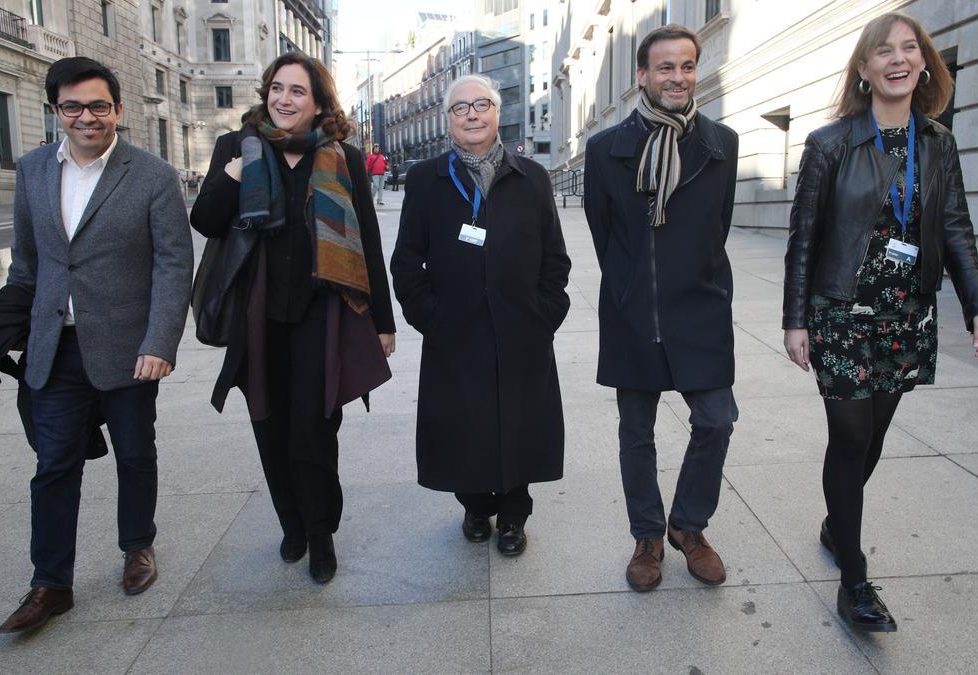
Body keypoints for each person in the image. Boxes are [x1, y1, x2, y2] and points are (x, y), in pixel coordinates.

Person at [783, 11, 978, 633]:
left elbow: (955, 227)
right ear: (863, 68)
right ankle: (853, 577)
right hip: (840, 312)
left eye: (910, 48)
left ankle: (835, 522)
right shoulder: (830, 143)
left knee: (873, 438)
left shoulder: (939, 142)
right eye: (883, 51)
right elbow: (804, 237)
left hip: (906, 314)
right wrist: (794, 319)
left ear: (925, 63)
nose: (898, 59)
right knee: (850, 437)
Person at [0, 56, 193, 634]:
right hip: (54, 348)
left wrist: (161, 342)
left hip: (130, 348)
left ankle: (137, 545)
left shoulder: (151, 174)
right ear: (56, 110)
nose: (87, 117)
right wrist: (2, 330)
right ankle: (50, 583)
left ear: (118, 110)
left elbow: (173, 264)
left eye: (99, 106)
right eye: (74, 107)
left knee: (134, 453)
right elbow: (27, 262)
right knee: (53, 464)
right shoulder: (33, 169)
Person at [190, 52, 396, 585]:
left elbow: (368, 240)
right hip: (258, 314)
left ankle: (322, 533)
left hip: (320, 312)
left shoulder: (343, 157)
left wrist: (382, 320)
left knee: (316, 427)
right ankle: (292, 525)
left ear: (319, 102)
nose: (284, 99)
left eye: (297, 92)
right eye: (277, 89)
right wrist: (233, 175)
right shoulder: (237, 148)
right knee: (269, 424)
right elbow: (206, 219)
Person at [583, 25, 739, 592]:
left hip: (700, 311)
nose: (677, 77)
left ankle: (688, 527)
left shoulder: (723, 144)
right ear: (643, 75)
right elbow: (607, 237)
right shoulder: (605, 152)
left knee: (717, 420)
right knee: (636, 433)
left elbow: (715, 230)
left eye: (687, 66)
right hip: (632, 312)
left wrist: (698, 283)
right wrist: (630, 287)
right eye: (665, 67)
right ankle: (647, 535)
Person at [391, 74, 570, 556]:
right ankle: (474, 504)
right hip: (455, 331)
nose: (472, 114)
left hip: (521, 329)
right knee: (463, 424)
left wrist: (545, 313)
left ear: (497, 113)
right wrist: (430, 317)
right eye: (460, 108)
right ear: (449, 121)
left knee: (520, 423)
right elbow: (407, 261)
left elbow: (555, 257)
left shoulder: (531, 176)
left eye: (481, 105)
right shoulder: (427, 179)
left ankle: (513, 516)